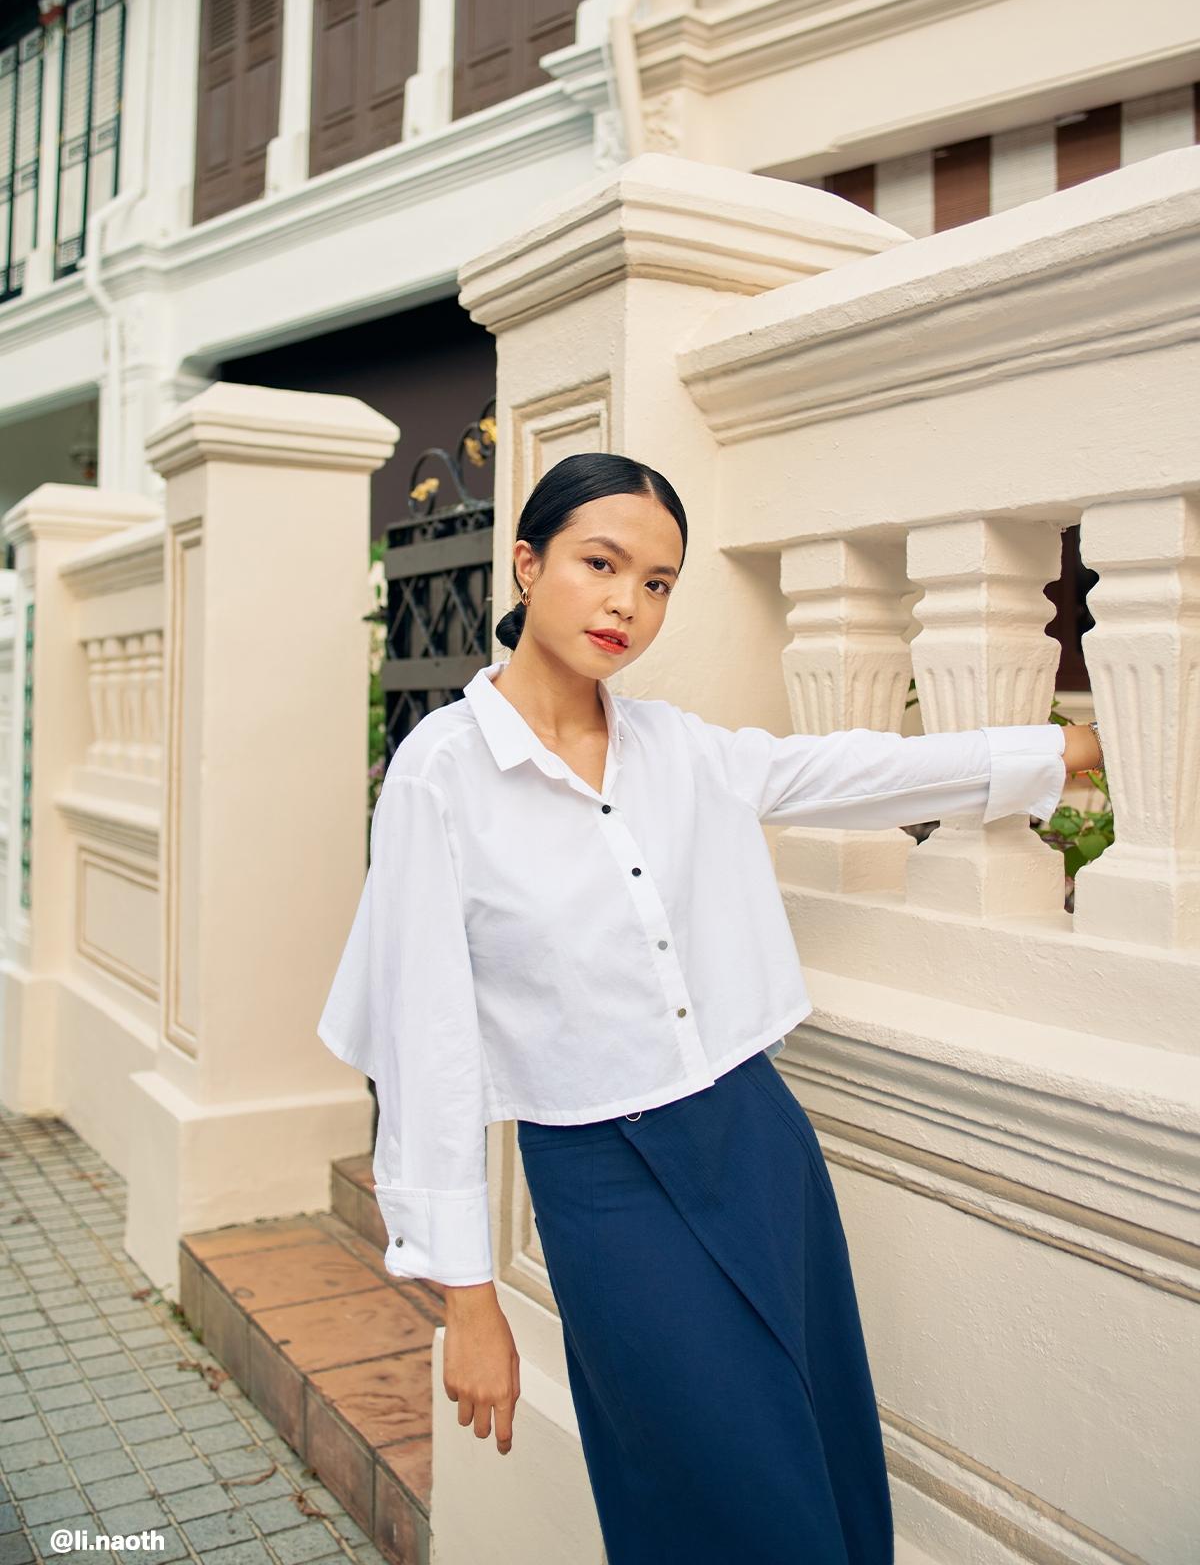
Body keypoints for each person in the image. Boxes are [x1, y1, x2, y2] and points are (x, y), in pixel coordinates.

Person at [317, 451, 1102, 1564]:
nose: (627, 605)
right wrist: (469, 1299)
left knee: (819, 1448)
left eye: (657, 583)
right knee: (717, 1488)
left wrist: (1065, 749)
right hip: (602, 1180)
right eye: (601, 564)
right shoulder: (441, 775)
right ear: (528, 565)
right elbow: (426, 1043)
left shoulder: (679, 750)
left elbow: (854, 771)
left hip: (756, 1137)